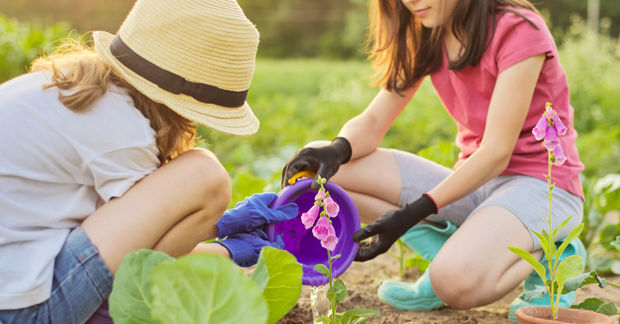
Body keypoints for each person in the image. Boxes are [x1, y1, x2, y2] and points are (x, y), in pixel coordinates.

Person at [281, 0, 585, 320]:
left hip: (542, 187)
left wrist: (416, 211)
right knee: (318, 168)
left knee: (454, 282)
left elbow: (497, 153)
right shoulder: (429, 32)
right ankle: (452, 252)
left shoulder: (519, 30)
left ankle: (553, 254)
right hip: (477, 182)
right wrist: (338, 149)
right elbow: (373, 122)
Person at [0, 0, 297, 323]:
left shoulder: (66, 88)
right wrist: (229, 249)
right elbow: (136, 266)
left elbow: (116, 239)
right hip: (24, 311)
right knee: (206, 177)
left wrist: (222, 226)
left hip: (16, 288)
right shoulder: (125, 131)